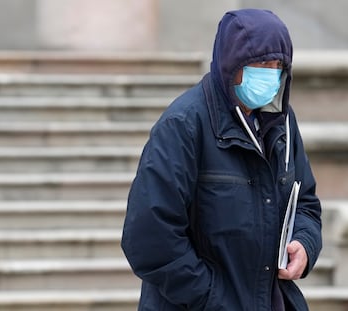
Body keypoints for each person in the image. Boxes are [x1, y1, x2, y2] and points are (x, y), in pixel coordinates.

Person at [121, 8, 322, 311]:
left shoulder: (283, 123)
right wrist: (212, 298)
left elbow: (305, 202)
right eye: (259, 62)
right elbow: (149, 238)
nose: (270, 73)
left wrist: (305, 245)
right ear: (231, 63)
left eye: (277, 64)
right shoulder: (184, 124)